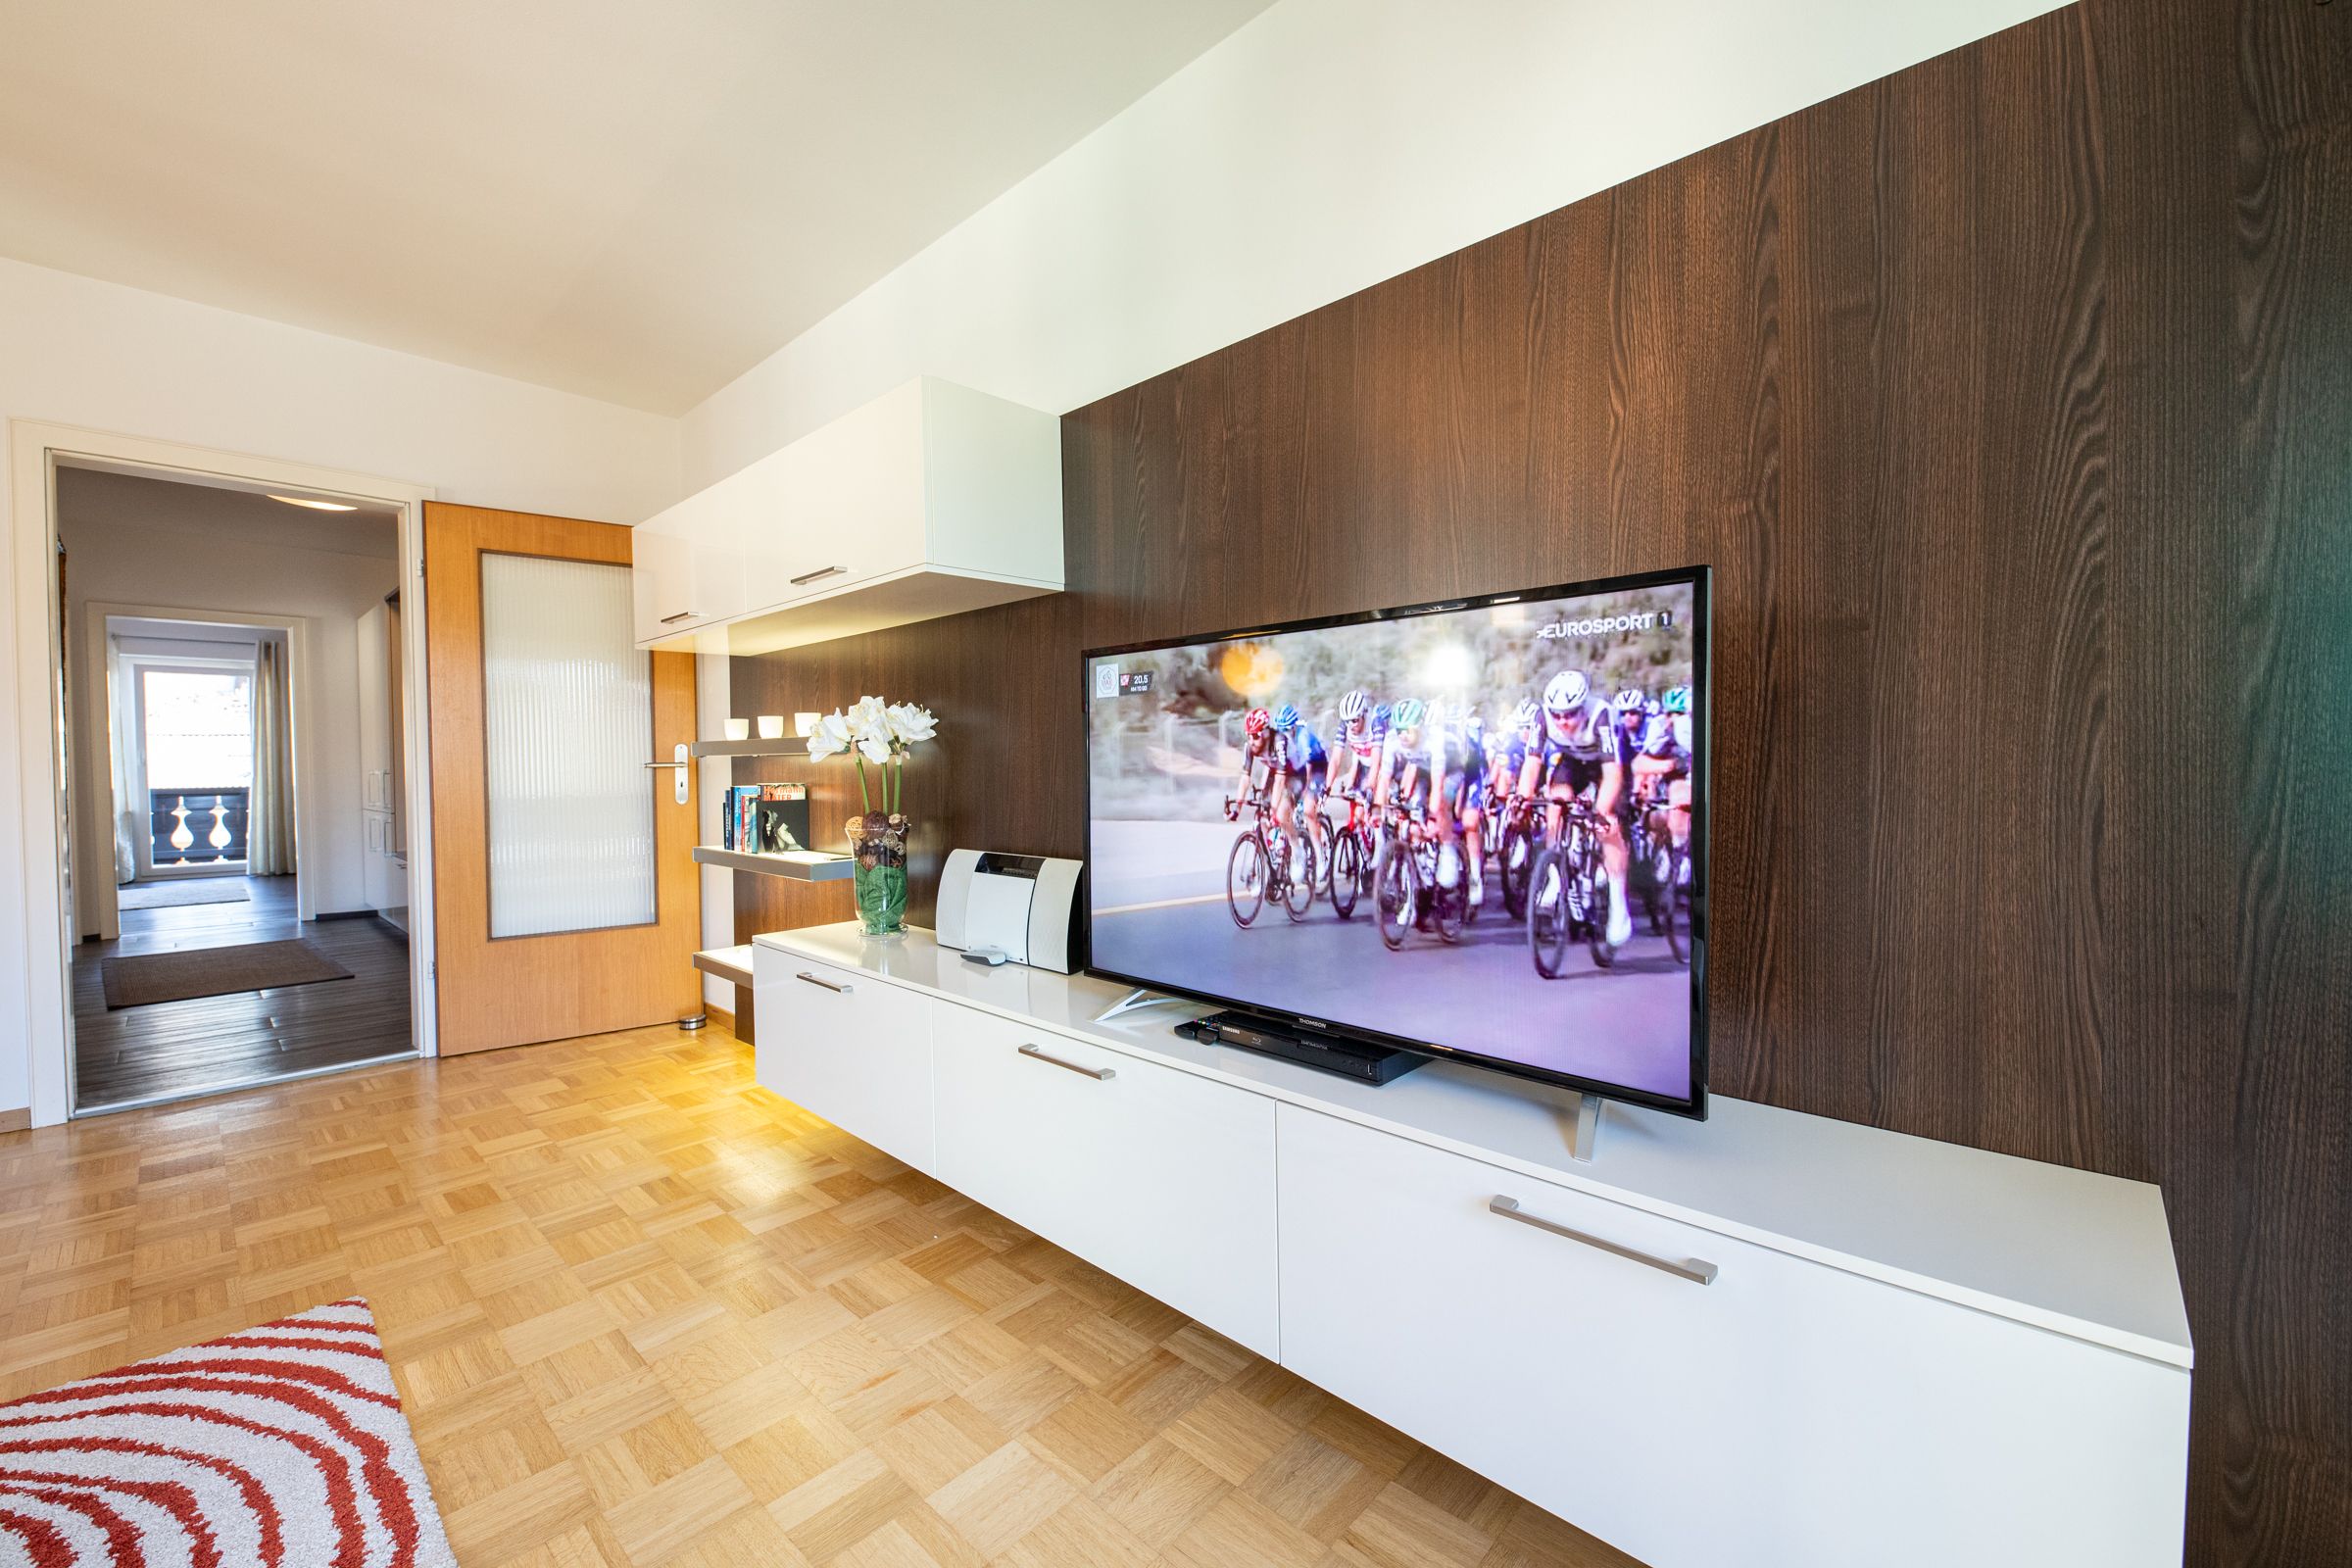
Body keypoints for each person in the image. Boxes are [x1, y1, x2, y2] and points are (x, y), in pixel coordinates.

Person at [1516, 669, 1634, 949]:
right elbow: (1532, 763)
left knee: (1608, 825)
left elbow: (1612, 775)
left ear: (1583, 706)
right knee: (1556, 800)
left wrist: (1601, 810)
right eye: (1557, 715)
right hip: (1572, 759)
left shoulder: (1602, 715)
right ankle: (1556, 873)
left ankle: (1619, 903)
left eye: (1569, 714)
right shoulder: (1542, 716)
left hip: (1608, 765)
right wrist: (1522, 796)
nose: (1562, 721)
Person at [1268, 703, 1330, 879]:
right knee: (1283, 810)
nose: (1284, 733)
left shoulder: (1303, 737)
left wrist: (1304, 795)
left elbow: (1309, 770)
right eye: (1281, 730)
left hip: (1316, 767)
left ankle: (1320, 857)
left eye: (1287, 730)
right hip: (1297, 770)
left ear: (1294, 727)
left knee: (1309, 810)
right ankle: (1297, 852)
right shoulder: (1280, 739)